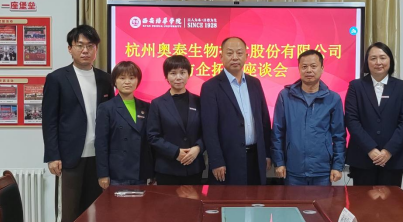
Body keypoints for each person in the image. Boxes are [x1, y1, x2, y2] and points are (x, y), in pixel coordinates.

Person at [42, 25, 114, 222]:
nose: (85, 50)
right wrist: (53, 155)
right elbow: (49, 120)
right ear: (70, 49)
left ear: (96, 49)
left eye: (90, 46)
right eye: (80, 45)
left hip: (98, 157)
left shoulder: (105, 79)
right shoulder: (57, 78)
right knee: (69, 214)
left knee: (96, 213)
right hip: (69, 157)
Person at [200, 37, 272, 185]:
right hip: (227, 159)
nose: (235, 57)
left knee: (256, 198)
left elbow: (264, 121)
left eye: (239, 53)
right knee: (229, 198)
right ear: (221, 56)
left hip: (256, 157)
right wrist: (216, 160)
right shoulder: (210, 87)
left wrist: (266, 153)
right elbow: (209, 129)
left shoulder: (255, 83)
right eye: (229, 53)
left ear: (246, 56)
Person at [271, 50, 345, 186]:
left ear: (322, 68)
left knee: (322, 201)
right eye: (304, 67)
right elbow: (277, 132)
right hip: (293, 169)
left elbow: (339, 135)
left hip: (322, 171)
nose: (309, 70)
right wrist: (279, 162)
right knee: (293, 201)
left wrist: (337, 165)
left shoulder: (333, 98)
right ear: (299, 69)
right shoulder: (285, 96)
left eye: (313, 66)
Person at [345, 42, 403, 186]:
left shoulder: (401, 87)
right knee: (362, 200)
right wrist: (370, 149)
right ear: (367, 62)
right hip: (362, 157)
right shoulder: (356, 86)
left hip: (392, 159)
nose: (378, 62)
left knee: (391, 199)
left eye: (382, 57)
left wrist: (388, 151)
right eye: (373, 58)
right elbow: (352, 120)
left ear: (390, 60)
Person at [147, 55, 205, 185]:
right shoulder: (157, 104)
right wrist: (175, 152)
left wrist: (198, 148)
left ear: (188, 75)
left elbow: (207, 131)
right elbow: (152, 136)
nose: (178, 77)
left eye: (182, 72)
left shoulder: (199, 101)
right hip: (167, 168)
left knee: (194, 199)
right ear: (166, 77)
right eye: (173, 73)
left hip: (194, 167)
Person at [95, 61, 153, 187]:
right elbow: (101, 144)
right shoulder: (106, 108)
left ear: (137, 81)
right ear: (115, 81)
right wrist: (103, 174)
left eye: (131, 78)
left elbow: (150, 141)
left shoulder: (146, 107)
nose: (127, 82)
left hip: (141, 172)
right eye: (122, 78)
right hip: (117, 173)